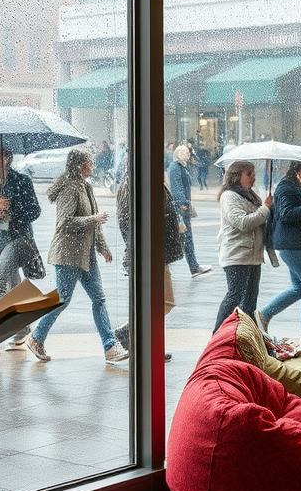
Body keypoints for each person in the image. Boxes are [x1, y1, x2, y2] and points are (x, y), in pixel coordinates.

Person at [25, 150, 127, 364]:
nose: (92, 165)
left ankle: (110, 347)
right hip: (68, 255)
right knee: (62, 300)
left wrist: (103, 247)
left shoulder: (86, 187)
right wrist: (94, 218)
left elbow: (94, 225)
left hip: (86, 255)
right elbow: (65, 222)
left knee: (99, 299)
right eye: (89, 162)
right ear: (80, 165)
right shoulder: (70, 189)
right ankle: (35, 338)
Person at [0, 143, 42, 347]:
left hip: (18, 239)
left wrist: (13, 211)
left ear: (7, 158)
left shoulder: (22, 181)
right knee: (13, 285)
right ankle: (22, 327)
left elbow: (35, 211)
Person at [113, 171, 183, 362]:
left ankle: (144, 341)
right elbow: (126, 221)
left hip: (159, 252)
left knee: (161, 301)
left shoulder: (152, 180)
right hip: (149, 253)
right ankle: (131, 332)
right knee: (161, 301)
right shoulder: (133, 184)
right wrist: (144, 245)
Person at [257, 160, 301, 344]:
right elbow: (286, 215)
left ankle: (264, 314)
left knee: (299, 288)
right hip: (291, 245)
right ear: (299, 170)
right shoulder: (286, 187)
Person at [213, 160, 272, 331]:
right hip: (237, 255)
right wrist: (265, 209)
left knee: (250, 303)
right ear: (236, 176)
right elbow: (242, 223)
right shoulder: (229, 196)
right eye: (249, 174)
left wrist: (268, 208)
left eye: (254, 173)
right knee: (234, 297)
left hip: (254, 256)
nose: (253, 177)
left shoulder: (251, 195)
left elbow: (260, 220)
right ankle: (216, 335)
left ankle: (248, 339)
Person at [167, 143, 211, 278]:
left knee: (182, 238)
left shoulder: (182, 167)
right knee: (184, 238)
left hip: (182, 207)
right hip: (180, 208)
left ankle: (192, 267)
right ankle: (192, 267)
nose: (188, 154)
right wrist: (183, 203)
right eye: (185, 152)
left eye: (188, 152)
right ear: (178, 154)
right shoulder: (175, 167)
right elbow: (176, 186)